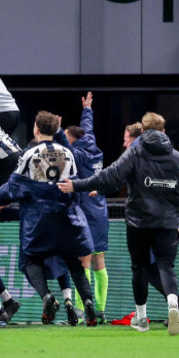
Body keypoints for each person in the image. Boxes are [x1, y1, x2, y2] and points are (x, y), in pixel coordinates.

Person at [58, 112, 179, 336]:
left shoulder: (135, 153)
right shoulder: (177, 157)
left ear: (142, 131)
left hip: (139, 222)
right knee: (165, 265)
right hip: (167, 222)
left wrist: (76, 185)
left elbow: (109, 177)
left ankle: (142, 318)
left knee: (140, 268)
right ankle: (173, 303)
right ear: (163, 132)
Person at [0, 111, 98, 327]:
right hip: (69, 219)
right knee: (74, 263)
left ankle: (47, 297)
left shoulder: (29, 154)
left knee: (30, 260)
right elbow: (77, 186)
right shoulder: (68, 153)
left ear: (36, 129)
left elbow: (13, 186)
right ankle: (88, 301)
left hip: (39, 221)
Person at [53, 92, 110, 324]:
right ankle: (100, 310)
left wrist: (57, 129)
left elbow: (66, 144)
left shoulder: (78, 153)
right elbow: (87, 127)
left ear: (73, 140)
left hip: (85, 213)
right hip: (101, 212)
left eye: (67, 136)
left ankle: (79, 310)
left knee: (83, 263)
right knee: (99, 263)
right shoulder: (93, 145)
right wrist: (87, 110)